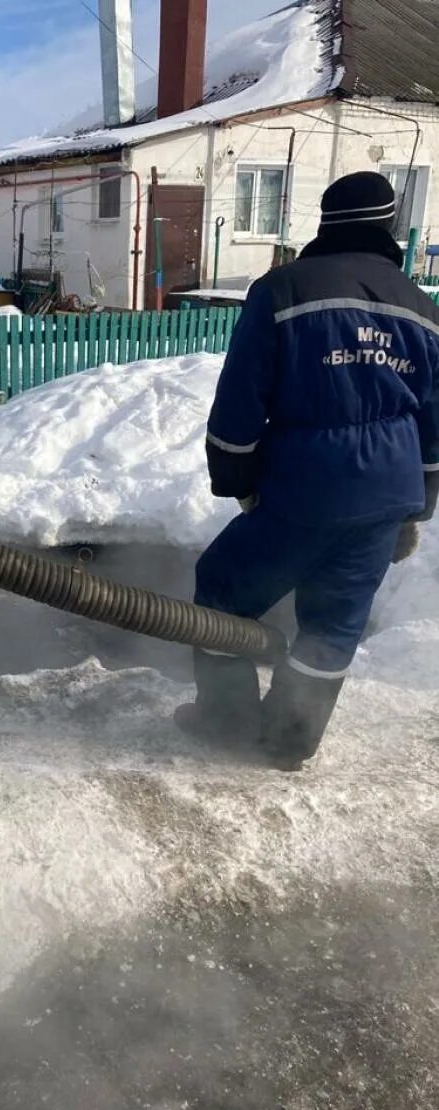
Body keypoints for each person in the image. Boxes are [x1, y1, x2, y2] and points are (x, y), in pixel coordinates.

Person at [177, 172, 439, 768]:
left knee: (221, 590)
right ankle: (290, 741)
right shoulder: (423, 309)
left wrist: (238, 480)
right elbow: (433, 421)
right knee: (333, 624)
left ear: (326, 223)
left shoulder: (283, 290)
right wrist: (417, 504)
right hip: (386, 494)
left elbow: (241, 400)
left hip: (307, 487)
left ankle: (225, 723)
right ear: (389, 226)